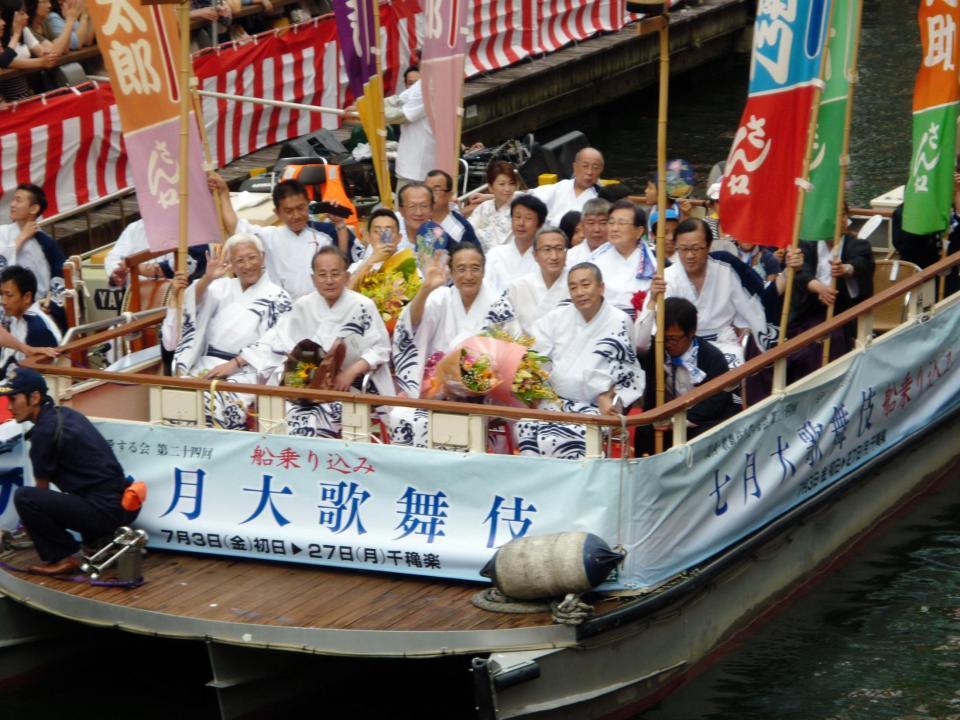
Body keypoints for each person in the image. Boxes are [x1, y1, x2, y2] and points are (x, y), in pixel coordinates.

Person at [237, 246, 393, 438]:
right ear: (313, 278)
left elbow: (381, 348)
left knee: (322, 417)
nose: (329, 281)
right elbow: (279, 342)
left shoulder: (362, 306)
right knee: (285, 413)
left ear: (345, 276)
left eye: (335, 274)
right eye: (322, 275)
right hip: (306, 386)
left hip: (348, 386)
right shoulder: (304, 305)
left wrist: (351, 372)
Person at [10, 368, 139, 576]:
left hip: (102, 511)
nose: (10, 407)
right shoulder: (65, 414)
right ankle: (98, 540)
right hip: (121, 503)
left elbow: (41, 490)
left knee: (26, 498)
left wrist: (29, 527)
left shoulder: (44, 432)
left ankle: (64, 557)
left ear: (34, 397)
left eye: (13, 399)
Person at [390, 242, 520, 446]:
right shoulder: (440, 298)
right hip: (434, 391)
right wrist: (425, 289)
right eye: (461, 269)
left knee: (468, 421)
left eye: (475, 268)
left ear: (484, 270)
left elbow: (510, 356)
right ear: (450, 272)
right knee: (401, 416)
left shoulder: (498, 305)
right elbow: (411, 327)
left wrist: (473, 382)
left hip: (484, 395)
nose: (468, 275)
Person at [514, 262, 644, 460]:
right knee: (526, 426)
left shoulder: (620, 320)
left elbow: (628, 372)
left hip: (594, 406)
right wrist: (534, 387)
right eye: (573, 287)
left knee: (568, 438)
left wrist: (608, 398)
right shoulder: (556, 317)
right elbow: (536, 359)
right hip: (554, 402)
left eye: (585, 285)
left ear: (601, 287)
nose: (580, 292)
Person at [162, 233, 292, 429]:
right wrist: (206, 278)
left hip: (246, 369)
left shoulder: (278, 297)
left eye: (252, 257)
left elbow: (276, 341)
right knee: (180, 393)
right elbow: (192, 307)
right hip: (206, 363)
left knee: (214, 401)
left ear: (263, 257)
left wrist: (233, 364)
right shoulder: (220, 287)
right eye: (239, 260)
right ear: (231, 263)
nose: (247, 265)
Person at [639, 218, 794, 368]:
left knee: (734, 378)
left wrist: (788, 271)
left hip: (724, 345)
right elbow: (653, 329)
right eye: (684, 249)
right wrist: (653, 298)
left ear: (708, 246)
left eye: (696, 248)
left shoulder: (726, 269)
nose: (690, 255)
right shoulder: (667, 278)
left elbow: (756, 301)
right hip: (681, 348)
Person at [211, 173, 353, 301]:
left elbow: (341, 266)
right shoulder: (269, 236)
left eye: (301, 208)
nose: (296, 215)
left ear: (308, 205)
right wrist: (224, 192)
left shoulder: (324, 236)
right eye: (289, 211)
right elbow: (235, 226)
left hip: (317, 306)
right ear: (277, 212)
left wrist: (340, 224)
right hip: (280, 308)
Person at [634, 297, 735, 455]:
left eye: (673, 338)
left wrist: (676, 422)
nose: (668, 344)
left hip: (699, 421)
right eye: (663, 337)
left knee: (702, 438)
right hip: (664, 418)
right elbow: (639, 343)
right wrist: (652, 300)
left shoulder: (712, 357)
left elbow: (716, 402)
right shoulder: (658, 349)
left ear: (691, 333)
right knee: (644, 431)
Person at [0, 183, 65, 328]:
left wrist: (52, 307)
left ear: (34, 208)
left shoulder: (46, 243)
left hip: (38, 309)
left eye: (18, 200)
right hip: (5, 309)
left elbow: (59, 275)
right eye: (13, 200)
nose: (12, 204)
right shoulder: (2, 233)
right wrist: (21, 238)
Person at [589, 199, 656, 318]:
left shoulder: (654, 262)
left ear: (639, 231)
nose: (614, 228)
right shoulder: (594, 260)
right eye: (611, 222)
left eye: (621, 223)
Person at [104, 218, 209, 288]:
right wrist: (117, 275)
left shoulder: (189, 226)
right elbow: (114, 258)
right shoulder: (134, 228)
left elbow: (191, 263)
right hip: (136, 297)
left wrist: (137, 268)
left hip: (176, 296)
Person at [506, 226, 569, 335]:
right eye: (547, 250)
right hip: (526, 348)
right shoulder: (519, 286)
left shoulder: (577, 284)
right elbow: (507, 325)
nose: (554, 256)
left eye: (559, 249)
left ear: (566, 253)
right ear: (535, 255)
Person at [484, 194, 547, 293]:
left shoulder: (546, 258)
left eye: (528, 218)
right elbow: (485, 287)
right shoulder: (495, 254)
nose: (521, 223)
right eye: (517, 217)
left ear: (540, 225)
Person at [530, 147, 603, 226]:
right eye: (585, 166)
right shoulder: (562, 186)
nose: (589, 172)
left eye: (595, 168)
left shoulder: (599, 197)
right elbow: (532, 196)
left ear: (600, 171)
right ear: (575, 167)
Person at [467, 161, 522, 251]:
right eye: (502, 184)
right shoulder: (484, 208)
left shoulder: (521, 206)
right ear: (490, 187)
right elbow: (468, 229)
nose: (507, 189)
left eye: (511, 183)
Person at [392, 79, 435, 189]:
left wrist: (369, 112)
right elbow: (397, 101)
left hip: (418, 168)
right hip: (409, 165)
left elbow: (403, 116)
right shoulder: (421, 82)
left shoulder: (432, 84)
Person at [424, 169, 480, 245]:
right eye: (427, 190)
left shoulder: (462, 229)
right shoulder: (419, 219)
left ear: (449, 195)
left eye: (436, 189)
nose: (430, 194)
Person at [565, 197, 610, 267]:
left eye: (603, 223)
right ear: (583, 225)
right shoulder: (570, 256)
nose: (596, 229)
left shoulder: (620, 252)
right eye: (591, 223)